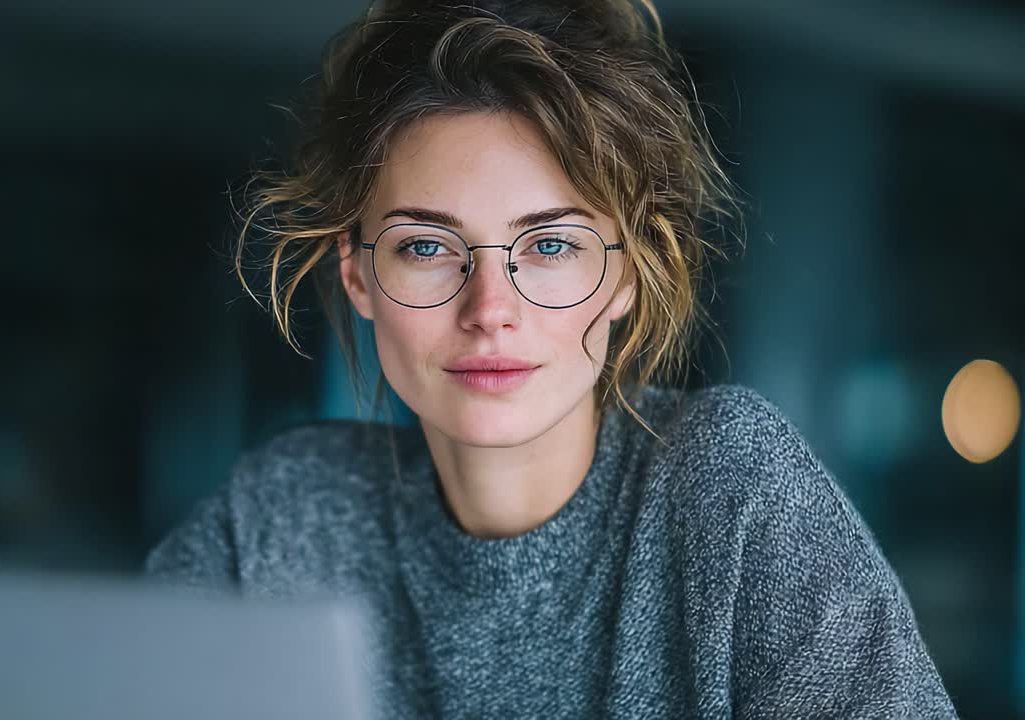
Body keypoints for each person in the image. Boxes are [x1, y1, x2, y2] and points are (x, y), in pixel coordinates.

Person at [148, 1, 958, 717]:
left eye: (550, 245)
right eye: (428, 246)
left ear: (627, 276)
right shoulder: (283, 516)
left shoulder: (730, 489)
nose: (490, 310)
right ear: (358, 274)